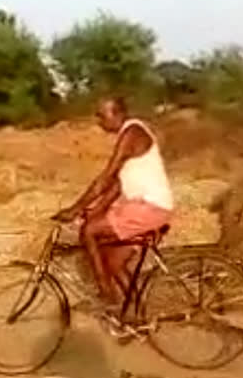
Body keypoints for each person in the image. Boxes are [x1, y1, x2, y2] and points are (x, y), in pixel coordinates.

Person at [51, 97, 174, 308]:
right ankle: (135, 314)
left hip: (150, 207)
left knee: (89, 231)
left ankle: (105, 292)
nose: (99, 121)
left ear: (117, 114)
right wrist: (97, 209)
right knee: (113, 263)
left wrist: (76, 208)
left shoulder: (132, 133)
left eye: (102, 115)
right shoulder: (132, 133)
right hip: (148, 207)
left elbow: (106, 178)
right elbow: (117, 184)